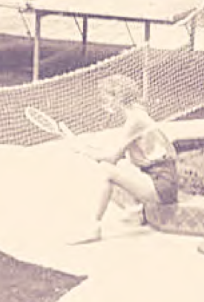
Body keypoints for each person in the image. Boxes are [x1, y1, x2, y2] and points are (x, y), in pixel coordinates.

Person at [67, 74, 179, 244]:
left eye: (106, 99)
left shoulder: (135, 120)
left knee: (106, 171)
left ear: (117, 98)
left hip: (161, 185)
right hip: (158, 179)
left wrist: (82, 151)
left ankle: (93, 227)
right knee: (116, 167)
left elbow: (110, 158)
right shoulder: (137, 114)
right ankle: (135, 212)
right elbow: (115, 155)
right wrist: (87, 148)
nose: (104, 104)